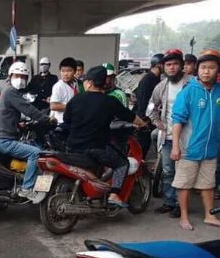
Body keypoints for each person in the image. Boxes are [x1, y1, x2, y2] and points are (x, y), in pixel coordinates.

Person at [63, 65, 147, 207]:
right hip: (97, 148)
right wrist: (143, 124)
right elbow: (131, 117)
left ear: (89, 83)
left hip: (72, 147)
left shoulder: (75, 99)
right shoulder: (110, 101)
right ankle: (114, 195)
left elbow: (67, 120)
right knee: (122, 163)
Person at [170, 50, 220, 230]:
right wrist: (175, 146)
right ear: (198, 69)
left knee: (208, 184)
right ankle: (184, 216)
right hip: (188, 148)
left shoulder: (218, 91)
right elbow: (177, 121)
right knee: (184, 184)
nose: (206, 71)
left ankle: (209, 215)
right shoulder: (189, 91)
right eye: (203, 67)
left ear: (217, 70)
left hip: (210, 149)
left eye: (211, 68)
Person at [0, 61, 48, 201]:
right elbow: (28, 109)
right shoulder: (10, 91)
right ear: (10, 76)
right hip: (3, 140)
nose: (20, 79)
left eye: (23, 77)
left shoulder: (9, 91)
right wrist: (46, 119)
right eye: (17, 76)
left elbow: (11, 112)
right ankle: (26, 188)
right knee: (36, 153)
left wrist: (19, 124)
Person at [148, 49, 191, 218]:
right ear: (164, 67)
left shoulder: (192, 83)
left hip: (188, 136)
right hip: (167, 136)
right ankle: (170, 202)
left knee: (184, 172)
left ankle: (181, 205)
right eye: (168, 65)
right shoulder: (161, 86)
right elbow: (151, 107)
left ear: (182, 66)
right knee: (168, 171)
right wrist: (158, 123)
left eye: (175, 64)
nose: (172, 68)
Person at [134, 53, 164, 118]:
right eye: (164, 64)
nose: (166, 66)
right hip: (145, 117)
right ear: (158, 64)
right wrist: (144, 118)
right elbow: (143, 102)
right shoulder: (148, 80)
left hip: (152, 116)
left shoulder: (156, 78)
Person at [49, 57, 79, 124]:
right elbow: (53, 106)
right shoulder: (58, 86)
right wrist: (74, 107)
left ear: (75, 71)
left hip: (73, 120)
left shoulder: (76, 83)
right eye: (63, 71)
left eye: (69, 71)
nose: (65, 74)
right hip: (61, 122)